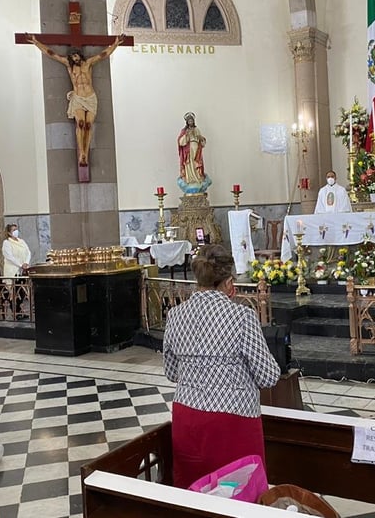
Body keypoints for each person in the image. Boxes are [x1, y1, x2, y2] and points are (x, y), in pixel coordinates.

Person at [163, 244, 280, 489]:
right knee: (238, 494)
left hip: (189, 418)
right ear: (229, 283)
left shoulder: (175, 315)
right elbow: (268, 376)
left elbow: (171, 372)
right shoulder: (241, 316)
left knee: (193, 493)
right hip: (232, 420)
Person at [26, 33, 124, 169]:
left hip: (90, 98)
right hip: (78, 98)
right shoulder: (69, 65)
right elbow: (51, 53)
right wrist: (36, 42)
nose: (75, 58)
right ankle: (81, 153)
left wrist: (115, 44)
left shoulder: (88, 63)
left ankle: (86, 153)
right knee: (81, 123)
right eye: (73, 57)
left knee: (88, 125)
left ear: (79, 55)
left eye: (76, 56)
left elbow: (103, 54)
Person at [177, 112, 211, 193]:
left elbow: (202, 142)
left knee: (196, 163)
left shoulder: (197, 129)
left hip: (196, 148)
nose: (190, 122)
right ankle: (190, 180)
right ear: (187, 122)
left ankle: (198, 178)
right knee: (189, 164)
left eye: (191, 120)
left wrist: (201, 139)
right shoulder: (185, 130)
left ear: (193, 121)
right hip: (188, 150)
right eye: (189, 121)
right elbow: (180, 142)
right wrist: (187, 135)